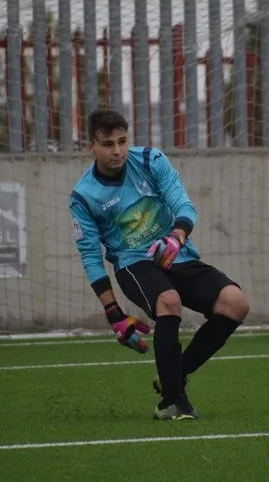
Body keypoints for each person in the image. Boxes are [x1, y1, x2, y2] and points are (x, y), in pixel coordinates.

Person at [68, 108, 251, 421]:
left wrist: (177, 236)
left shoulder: (151, 160)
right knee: (169, 300)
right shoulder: (83, 196)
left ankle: (172, 376)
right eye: (108, 144)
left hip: (176, 252)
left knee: (236, 303)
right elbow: (90, 256)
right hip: (133, 264)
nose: (117, 151)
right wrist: (114, 314)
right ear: (91, 147)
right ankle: (172, 402)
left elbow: (184, 205)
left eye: (122, 141)